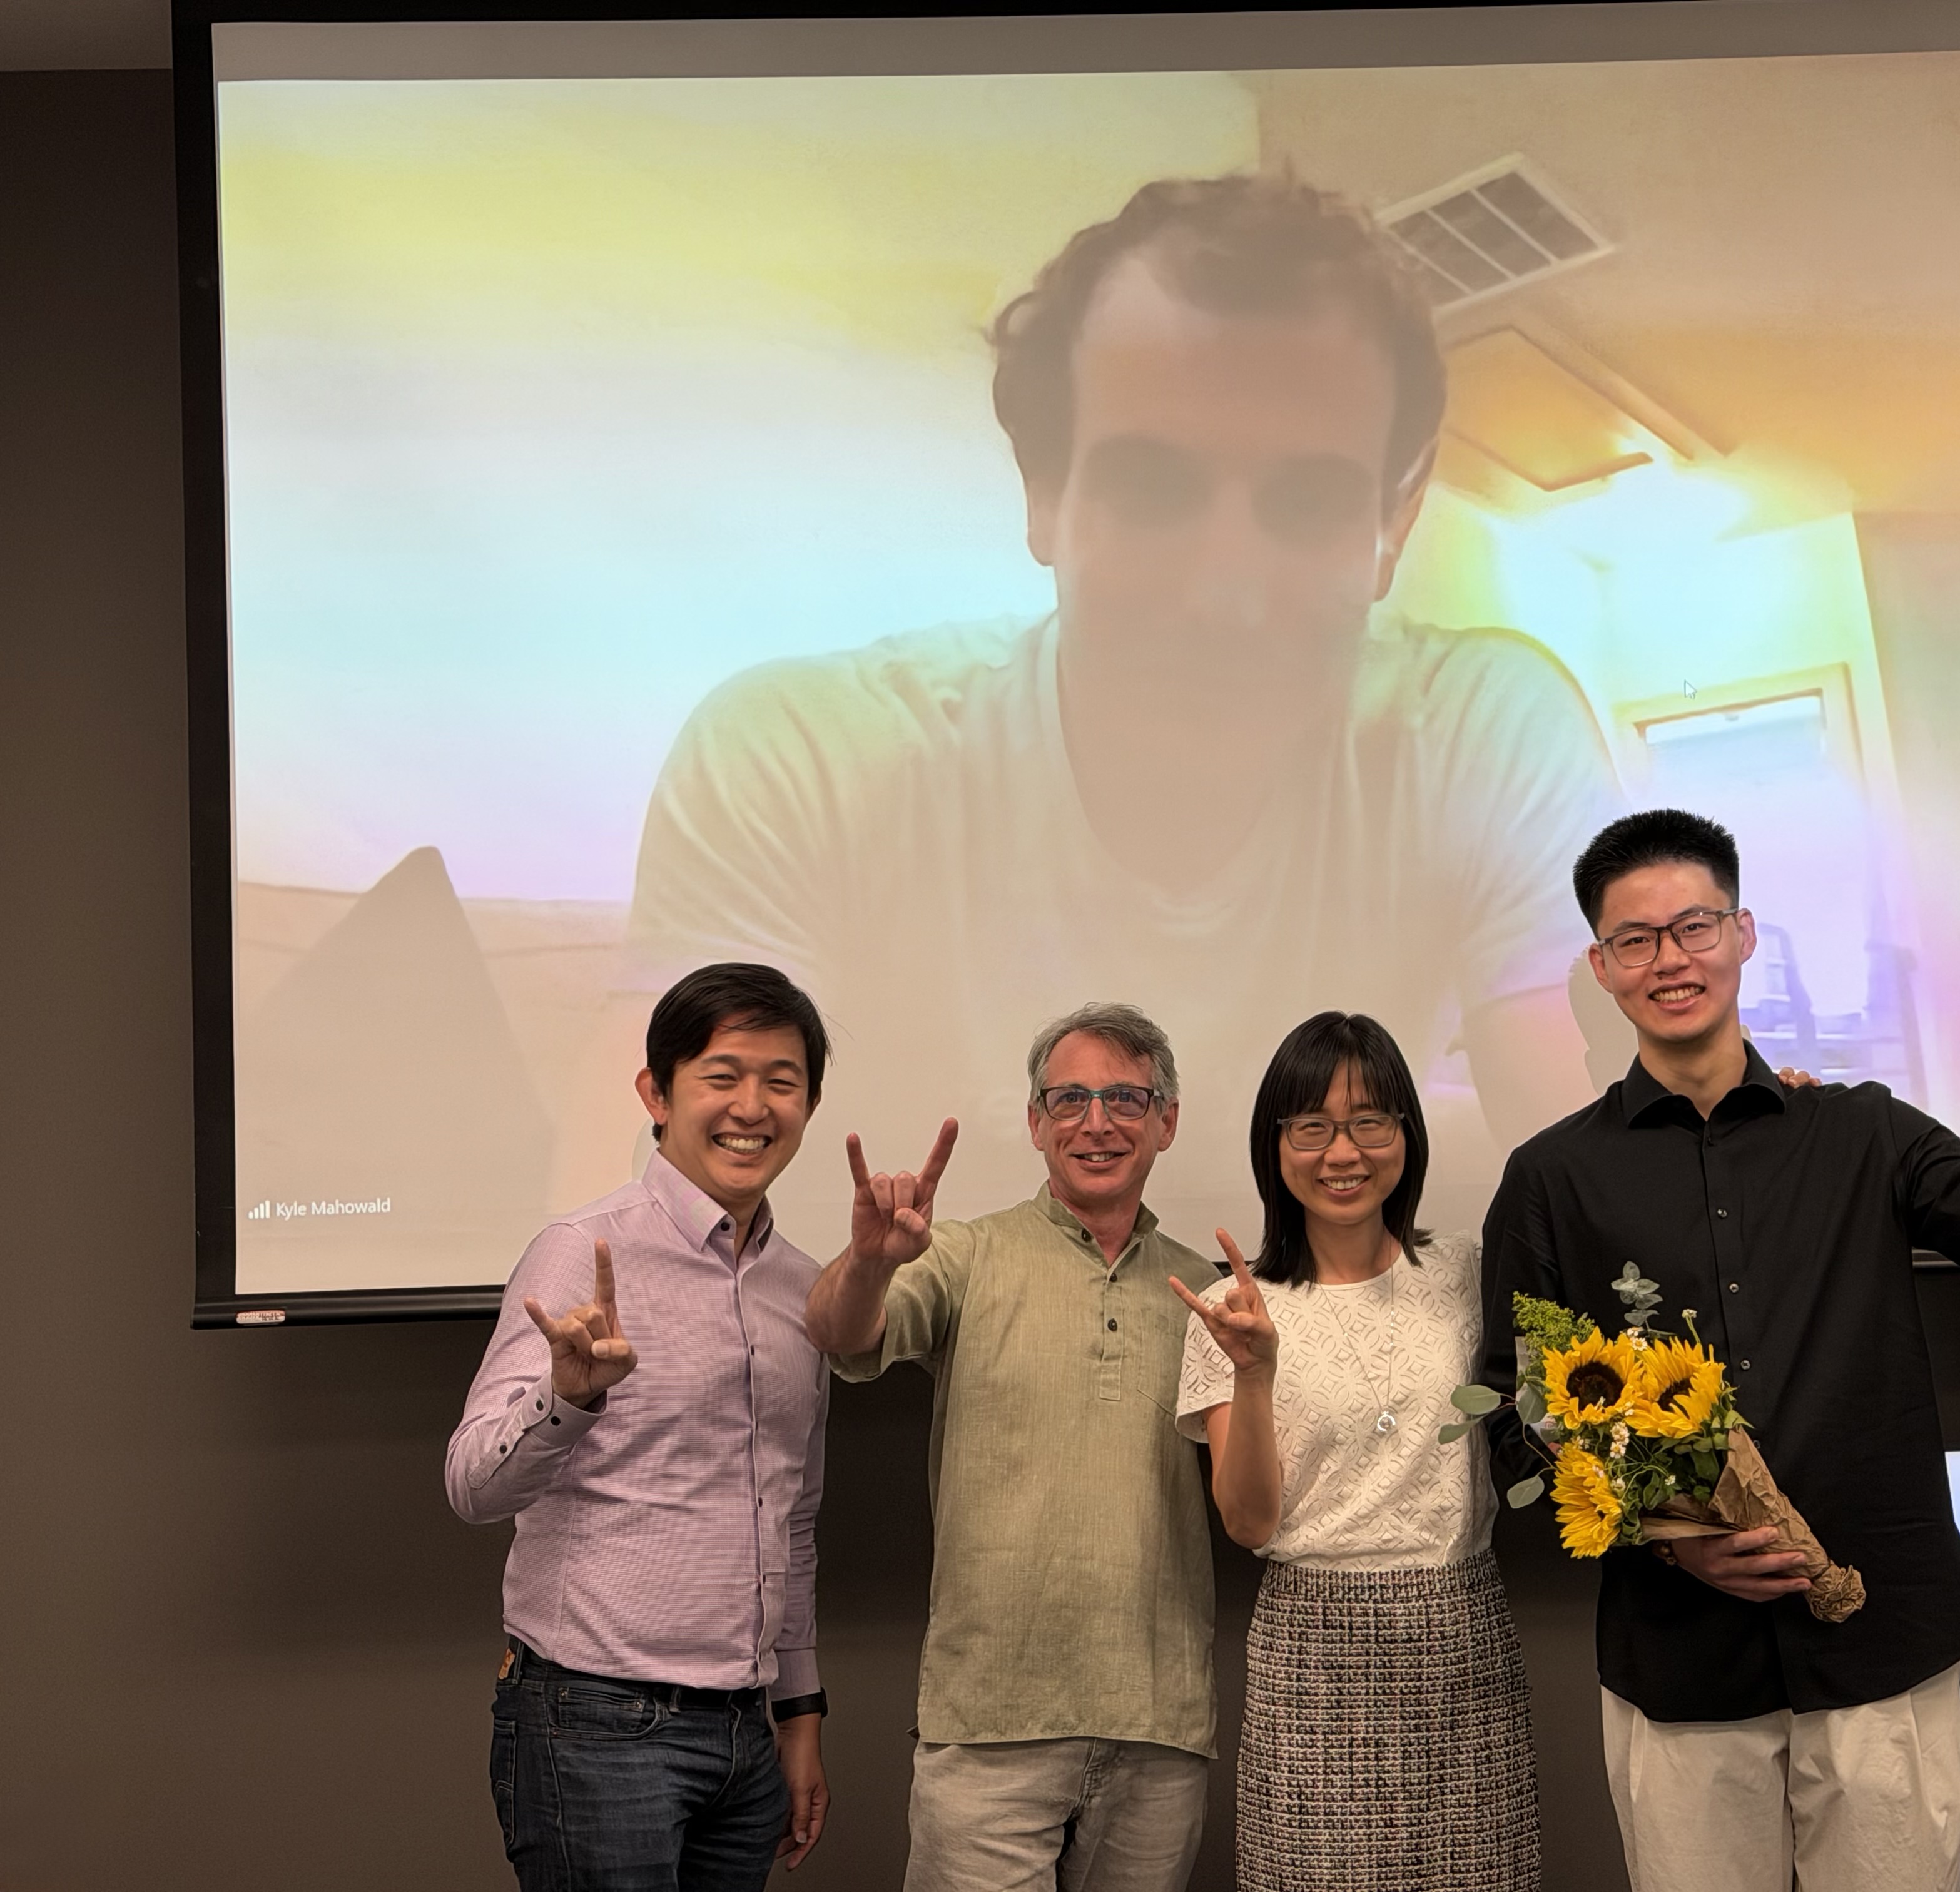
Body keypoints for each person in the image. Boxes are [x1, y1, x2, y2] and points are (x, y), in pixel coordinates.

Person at [612, 172, 1623, 1231]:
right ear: (1043, 494)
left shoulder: (1482, 733)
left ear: (1394, 525)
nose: (1226, 592)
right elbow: (619, 1241)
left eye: (1307, 502)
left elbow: (1602, 1168)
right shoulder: (801, 757)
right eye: (1152, 489)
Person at [1481, 809, 1960, 1892]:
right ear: (1601, 966)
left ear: (1742, 933)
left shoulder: (1861, 1133)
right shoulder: (1553, 1176)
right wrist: (1666, 1537)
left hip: (1879, 1643)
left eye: (1693, 925)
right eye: (1637, 939)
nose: (1671, 958)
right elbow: (1517, 1418)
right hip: (1680, 1657)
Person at [805, 1002, 1213, 1892]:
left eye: (1125, 1100)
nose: (1095, 1124)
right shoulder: (964, 1254)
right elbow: (842, 1335)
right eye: (1067, 1099)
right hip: (989, 1725)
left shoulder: (1209, 1292)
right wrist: (872, 1260)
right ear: (1034, 1122)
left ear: (1167, 1121)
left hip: (1160, 1725)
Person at [447, 962, 836, 1889]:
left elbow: (793, 1519)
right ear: (656, 1094)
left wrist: (800, 1718)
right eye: (721, 1075)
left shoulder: (803, 1287)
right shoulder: (581, 1249)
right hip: (595, 1721)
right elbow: (470, 1485)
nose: (752, 1105)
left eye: (781, 1081)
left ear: (809, 1103)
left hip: (748, 1734)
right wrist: (568, 1399)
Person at [1173, 1012, 1540, 1892]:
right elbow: (1249, 1521)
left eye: (1370, 1121)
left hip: (1462, 1638)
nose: (1343, 1152)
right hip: (1313, 1652)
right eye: (1313, 1127)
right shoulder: (1234, 1308)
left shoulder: (1467, 1273)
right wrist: (1255, 1375)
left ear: (1406, 1133)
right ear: (1277, 1145)